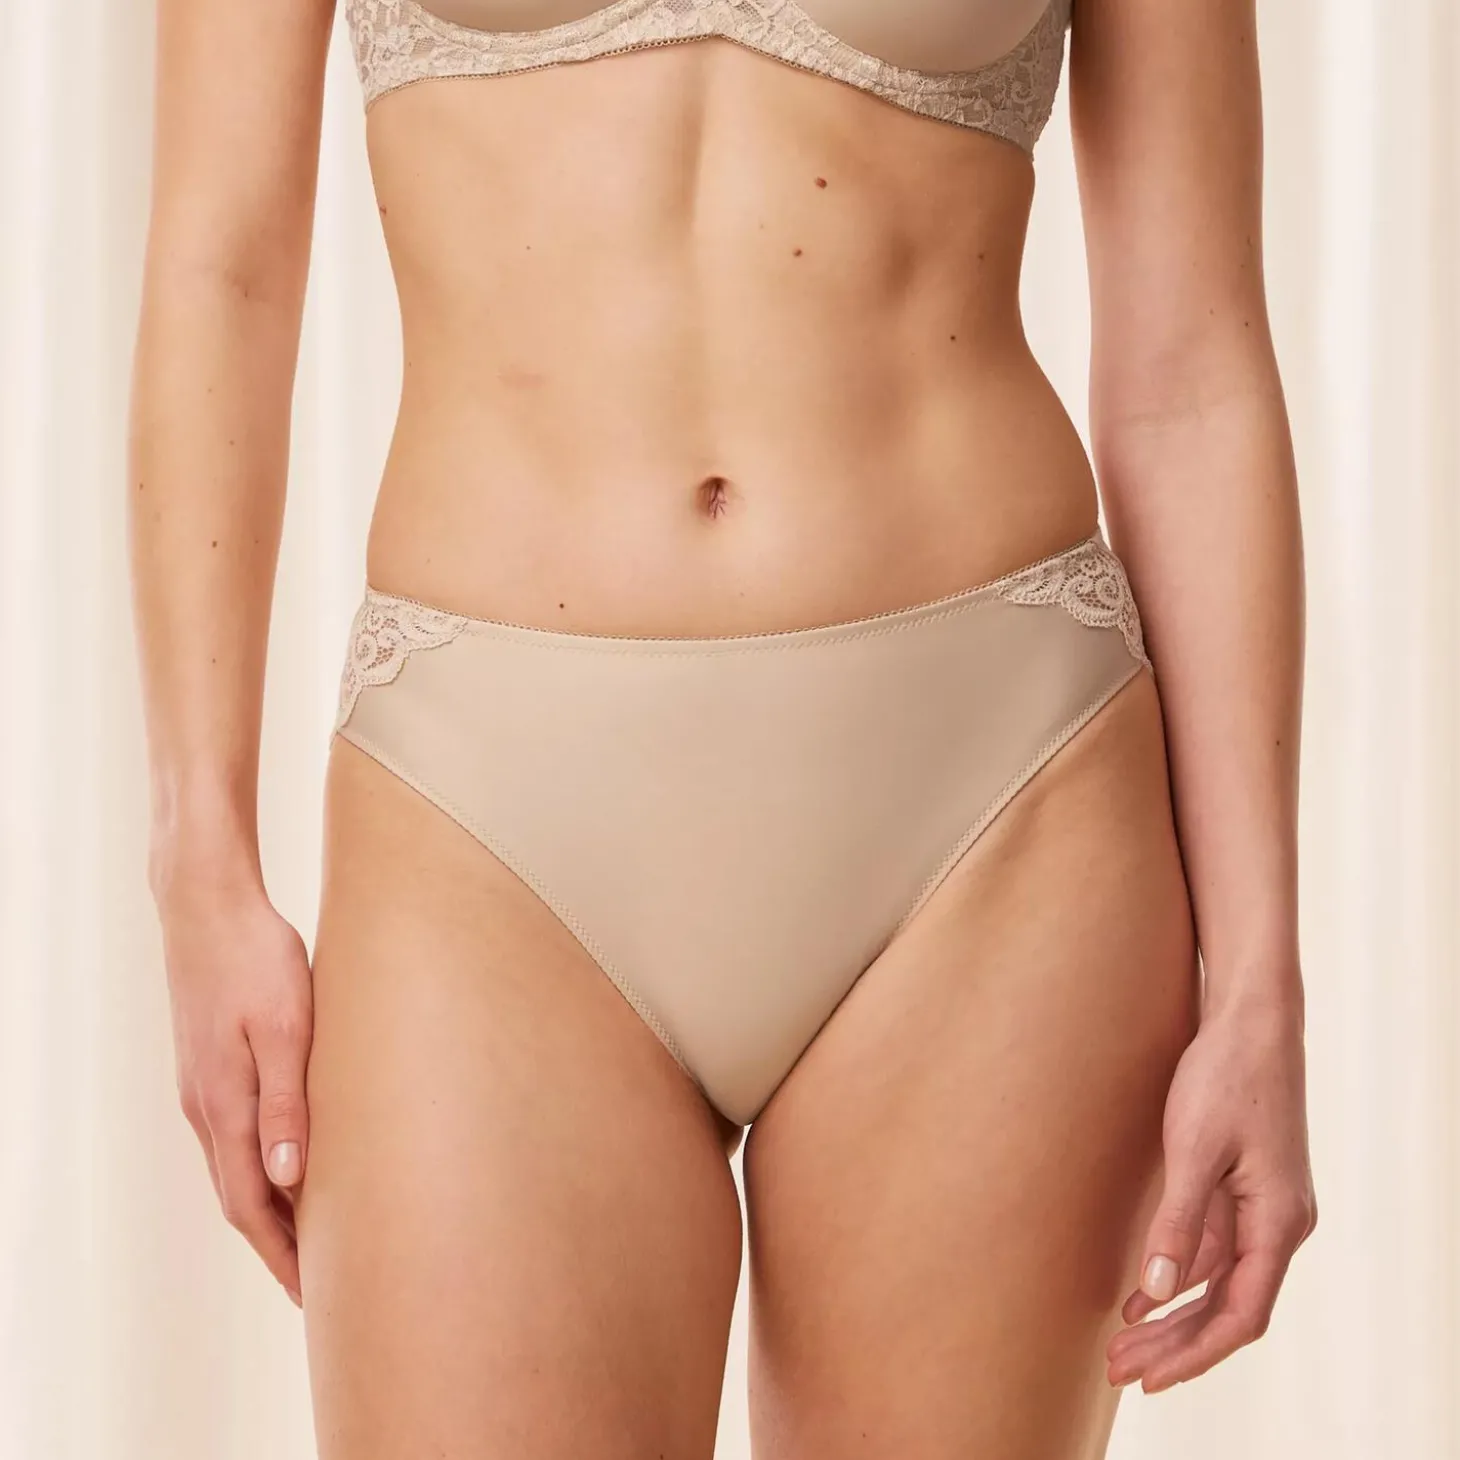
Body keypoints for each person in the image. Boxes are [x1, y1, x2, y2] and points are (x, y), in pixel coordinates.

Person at [127, 0, 1318, 1453]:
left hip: (996, 804)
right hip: (486, 826)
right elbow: (220, 271)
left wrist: (1260, 977)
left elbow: (1191, 366)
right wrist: (199, 855)